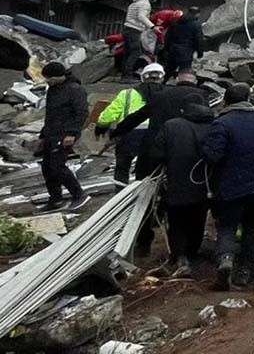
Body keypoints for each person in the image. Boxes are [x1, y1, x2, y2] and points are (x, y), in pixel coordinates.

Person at [112, 69, 208, 256]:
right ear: (194, 80)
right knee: (189, 198)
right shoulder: (201, 96)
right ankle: (188, 247)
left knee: (144, 198)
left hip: (152, 153)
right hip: (187, 154)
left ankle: (144, 241)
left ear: (176, 79)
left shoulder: (160, 95)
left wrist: (117, 132)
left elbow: (138, 116)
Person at [201, 83, 254, 291]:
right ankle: (245, 269)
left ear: (226, 100)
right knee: (251, 226)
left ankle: (226, 260)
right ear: (247, 99)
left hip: (229, 186)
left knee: (227, 226)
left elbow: (213, 155)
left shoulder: (221, 123)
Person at [149, 94, 215, 278]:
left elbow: (156, 153)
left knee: (177, 221)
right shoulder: (214, 125)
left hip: (177, 182)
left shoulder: (171, 125)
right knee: (198, 218)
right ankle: (192, 252)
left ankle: (180, 256)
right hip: (206, 184)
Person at [96, 63, 167, 191]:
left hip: (129, 134)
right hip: (156, 135)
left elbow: (109, 114)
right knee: (155, 166)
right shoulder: (168, 94)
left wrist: (101, 126)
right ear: (162, 77)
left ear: (143, 77)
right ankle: (153, 192)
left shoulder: (127, 94)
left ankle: (120, 194)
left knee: (123, 167)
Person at [35, 62, 91, 213]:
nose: (47, 81)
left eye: (50, 78)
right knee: (47, 168)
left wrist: (72, 133)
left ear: (59, 76)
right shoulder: (53, 90)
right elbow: (50, 115)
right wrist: (43, 135)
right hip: (51, 133)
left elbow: (82, 113)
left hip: (65, 134)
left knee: (57, 166)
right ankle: (55, 199)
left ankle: (79, 195)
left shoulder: (75, 90)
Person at [163, 7, 205, 78]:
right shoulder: (196, 24)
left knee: (169, 70)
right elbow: (198, 40)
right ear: (197, 14)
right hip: (186, 52)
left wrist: (167, 49)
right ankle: (180, 86)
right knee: (184, 72)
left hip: (173, 50)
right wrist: (200, 52)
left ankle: (162, 83)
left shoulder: (176, 21)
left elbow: (168, 36)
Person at [122, 0, 154, 76]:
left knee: (128, 52)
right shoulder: (145, 4)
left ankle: (124, 74)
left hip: (127, 28)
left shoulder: (133, 4)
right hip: (134, 29)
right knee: (136, 52)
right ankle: (128, 75)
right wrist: (152, 26)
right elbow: (141, 16)